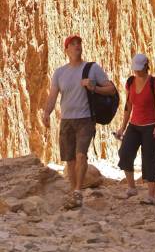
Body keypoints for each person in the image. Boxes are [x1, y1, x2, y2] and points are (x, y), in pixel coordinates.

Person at [43, 35, 116, 209]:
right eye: (73, 44)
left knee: (81, 154)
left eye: (79, 43)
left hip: (85, 119)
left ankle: (77, 191)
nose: (77, 46)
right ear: (66, 50)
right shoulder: (60, 72)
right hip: (67, 120)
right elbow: (53, 95)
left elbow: (111, 89)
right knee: (70, 160)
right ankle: (73, 192)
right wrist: (47, 112)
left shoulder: (92, 69)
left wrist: (94, 87)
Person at [115, 53, 155, 205]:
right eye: (135, 69)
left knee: (150, 158)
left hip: (150, 126)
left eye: (139, 69)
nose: (137, 72)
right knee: (124, 153)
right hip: (134, 125)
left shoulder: (154, 83)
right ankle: (131, 187)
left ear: (145, 66)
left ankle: (151, 195)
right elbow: (128, 106)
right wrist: (122, 127)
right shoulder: (130, 82)